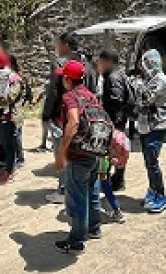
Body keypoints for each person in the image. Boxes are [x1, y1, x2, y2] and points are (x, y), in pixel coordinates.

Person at [53, 58, 103, 254]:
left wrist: (62, 152)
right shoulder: (91, 96)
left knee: (78, 197)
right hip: (94, 151)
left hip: (78, 154)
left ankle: (76, 240)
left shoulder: (70, 97)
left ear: (67, 79)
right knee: (92, 192)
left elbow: (73, 122)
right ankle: (94, 228)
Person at [43, 32, 94, 205]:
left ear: (65, 45)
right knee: (82, 150)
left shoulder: (60, 64)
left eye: (58, 44)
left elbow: (53, 93)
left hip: (65, 115)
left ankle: (64, 189)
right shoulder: (88, 63)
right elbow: (93, 90)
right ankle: (80, 186)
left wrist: (46, 115)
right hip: (86, 114)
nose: (57, 47)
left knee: (63, 150)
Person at [134, 49, 166, 214]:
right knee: (149, 163)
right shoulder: (150, 78)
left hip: (157, 126)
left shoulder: (160, 80)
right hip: (146, 126)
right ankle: (152, 190)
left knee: (153, 163)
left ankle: (162, 196)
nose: (142, 67)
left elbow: (145, 99)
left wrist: (136, 86)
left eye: (145, 63)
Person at [0, 51, 24, 185]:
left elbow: (9, 98)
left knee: (9, 144)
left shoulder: (14, 79)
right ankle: (7, 167)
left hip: (10, 116)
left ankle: (10, 171)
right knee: (3, 143)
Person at [96, 48, 130, 191]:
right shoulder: (118, 74)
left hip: (114, 121)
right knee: (117, 150)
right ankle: (116, 180)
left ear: (108, 61)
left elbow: (116, 99)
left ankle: (111, 182)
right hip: (118, 120)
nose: (100, 64)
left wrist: (108, 119)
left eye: (101, 61)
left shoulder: (113, 77)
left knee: (110, 152)